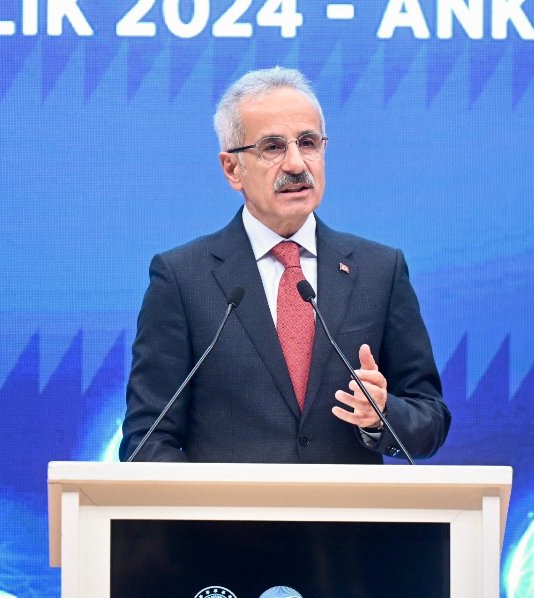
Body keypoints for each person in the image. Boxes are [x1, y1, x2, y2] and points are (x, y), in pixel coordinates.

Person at [122, 67, 449, 463]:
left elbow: (429, 418)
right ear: (232, 169)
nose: (296, 164)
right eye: (273, 147)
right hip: (228, 506)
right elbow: (147, 440)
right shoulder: (182, 278)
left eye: (308, 142)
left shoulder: (380, 271)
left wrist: (381, 415)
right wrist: (207, 501)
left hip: (346, 505)